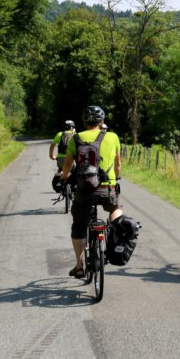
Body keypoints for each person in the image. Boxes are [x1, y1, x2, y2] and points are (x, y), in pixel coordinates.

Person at [60, 105, 122, 278]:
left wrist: (64, 177)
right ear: (102, 121)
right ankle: (114, 239)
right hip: (106, 187)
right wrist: (116, 179)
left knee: (79, 225)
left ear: (85, 121)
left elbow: (67, 163)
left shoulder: (76, 138)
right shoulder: (112, 137)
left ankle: (79, 266)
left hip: (83, 189)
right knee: (115, 209)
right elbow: (117, 164)